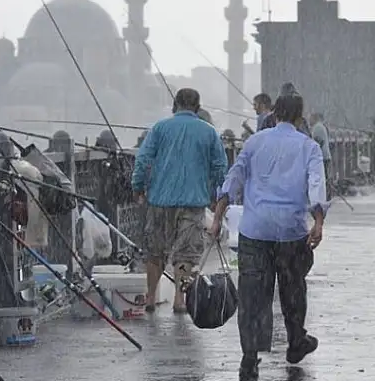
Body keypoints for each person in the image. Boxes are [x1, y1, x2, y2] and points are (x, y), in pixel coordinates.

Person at [209, 90, 328, 381]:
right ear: (300, 118)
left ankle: (250, 358)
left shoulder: (254, 142)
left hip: (255, 230)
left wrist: (218, 218)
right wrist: (318, 221)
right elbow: (316, 184)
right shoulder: (309, 147)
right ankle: (295, 340)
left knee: (253, 295)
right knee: (293, 288)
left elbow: (233, 179)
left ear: (274, 114)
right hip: (291, 231)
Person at [131, 88, 228, 313]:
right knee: (186, 253)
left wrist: (138, 187)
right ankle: (179, 299)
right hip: (193, 202)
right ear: (198, 107)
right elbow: (220, 167)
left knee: (155, 250)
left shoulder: (159, 128)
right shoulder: (209, 132)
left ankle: (150, 297)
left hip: (160, 200)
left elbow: (143, 159)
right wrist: (218, 195)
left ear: (175, 105)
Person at [309, 112, 332, 200]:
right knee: (326, 177)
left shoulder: (317, 127)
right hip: (326, 155)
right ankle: (327, 195)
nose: (309, 121)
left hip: (322, 156)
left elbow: (317, 141)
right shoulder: (322, 126)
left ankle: (325, 196)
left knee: (323, 177)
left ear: (314, 118)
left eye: (310, 118)